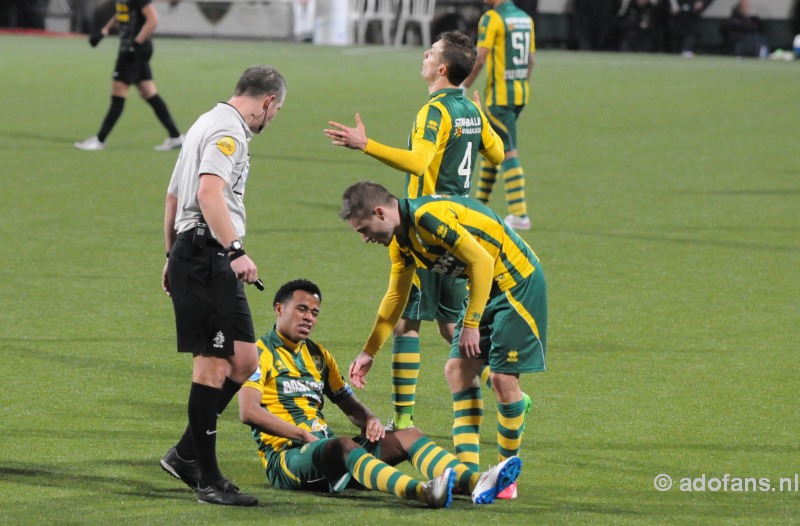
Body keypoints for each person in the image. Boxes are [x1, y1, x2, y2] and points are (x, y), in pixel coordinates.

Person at [324, 30, 504, 432]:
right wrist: (482, 119)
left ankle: (403, 420)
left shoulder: (435, 111)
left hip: (427, 225)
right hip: (462, 222)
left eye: (430, 53)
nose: (423, 56)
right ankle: (506, 389)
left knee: (407, 321)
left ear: (441, 68)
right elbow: (494, 152)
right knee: (450, 327)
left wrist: (365, 145)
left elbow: (419, 163)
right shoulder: (467, 110)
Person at [340, 181, 547, 500]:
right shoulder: (402, 241)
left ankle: (506, 476)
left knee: (504, 381)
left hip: (516, 283)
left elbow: (482, 262)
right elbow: (396, 296)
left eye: (363, 229)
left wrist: (472, 323)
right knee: (458, 372)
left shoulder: (428, 218)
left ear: (380, 212)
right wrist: (370, 351)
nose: (365, 238)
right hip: (486, 288)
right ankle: (473, 475)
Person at [238, 279, 522, 507]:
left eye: (314, 313)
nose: (309, 318)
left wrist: (370, 420)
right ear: (278, 308)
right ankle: (420, 491)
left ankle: (476, 481)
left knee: (409, 434)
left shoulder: (318, 355)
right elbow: (248, 412)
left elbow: (348, 404)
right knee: (343, 445)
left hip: (329, 454)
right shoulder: (258, 353)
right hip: (287, 460)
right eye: (301, 309)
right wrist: (301, 435)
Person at [159, 65, 286, 506]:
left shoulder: (204, 122)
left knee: (244, 360)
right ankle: (207, 480)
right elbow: (208, 193)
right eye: (276, 112)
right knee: (212, 365)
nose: (272, 120)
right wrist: (235, 250)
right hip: (209, 255)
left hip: (198, 254)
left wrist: (169, 253)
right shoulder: (227, 133)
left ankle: (185, 454)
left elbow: (174, 195)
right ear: (268, 102)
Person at [461, 0, 535, 232]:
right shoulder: (525, 18)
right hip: (519, 94)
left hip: (499, 98)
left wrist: (462, 87)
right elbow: (531, 60)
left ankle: (519, 213)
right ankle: (480, 205)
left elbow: (480, 58)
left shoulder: (492, 19)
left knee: (508, 151)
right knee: (496, 146)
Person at [74, 0, 183, 151]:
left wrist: (135, 45)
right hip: (134, 49)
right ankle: (175, 136)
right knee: (148, 92)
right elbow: (122, 13)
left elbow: (153, 20)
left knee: (118, 93)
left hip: (134, 50)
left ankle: (99, 140)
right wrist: (103, 31)